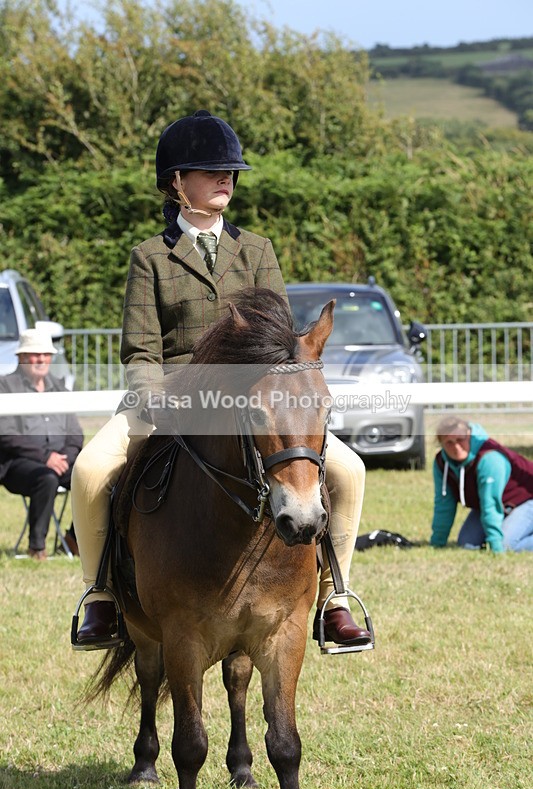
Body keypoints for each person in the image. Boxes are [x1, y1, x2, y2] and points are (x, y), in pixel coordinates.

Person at [71, 110, 370, 650]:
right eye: (212, 171)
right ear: (176, 182)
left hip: (256, 401)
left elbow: (279, 339)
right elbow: (141, 349)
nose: (226, 179)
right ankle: (101, 598)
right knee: (90, 469)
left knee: (348, 469)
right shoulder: (150, 258)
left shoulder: (256, 250)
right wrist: (162, 403)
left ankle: (334, 598)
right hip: (166, 400)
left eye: (230, 171)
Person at [0, 328, 83, 560]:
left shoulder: (60, 387)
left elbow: (75, 434)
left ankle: (73, 540)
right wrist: (46, 457)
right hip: (18, 464)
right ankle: (37, 548)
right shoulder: (5, 387)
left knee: (91, 476)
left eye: (45, 354)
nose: (41, 359)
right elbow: (6, 435)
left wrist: (64, 457)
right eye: (34, 354)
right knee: (46, 478)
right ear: (21, 357)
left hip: (60, 461)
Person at [431, 416, 533, 553]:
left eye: (460, 440)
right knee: (466, 544)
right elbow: (444, 504)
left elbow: (490, 504)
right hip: (499, 505)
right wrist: (437, 543)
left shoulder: (490, 458)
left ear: (469, 436)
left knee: (505, 545)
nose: (456, 446)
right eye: (449, 442)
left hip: (526, 500)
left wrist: (496, 547)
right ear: (441, 444)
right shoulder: (441, 463)